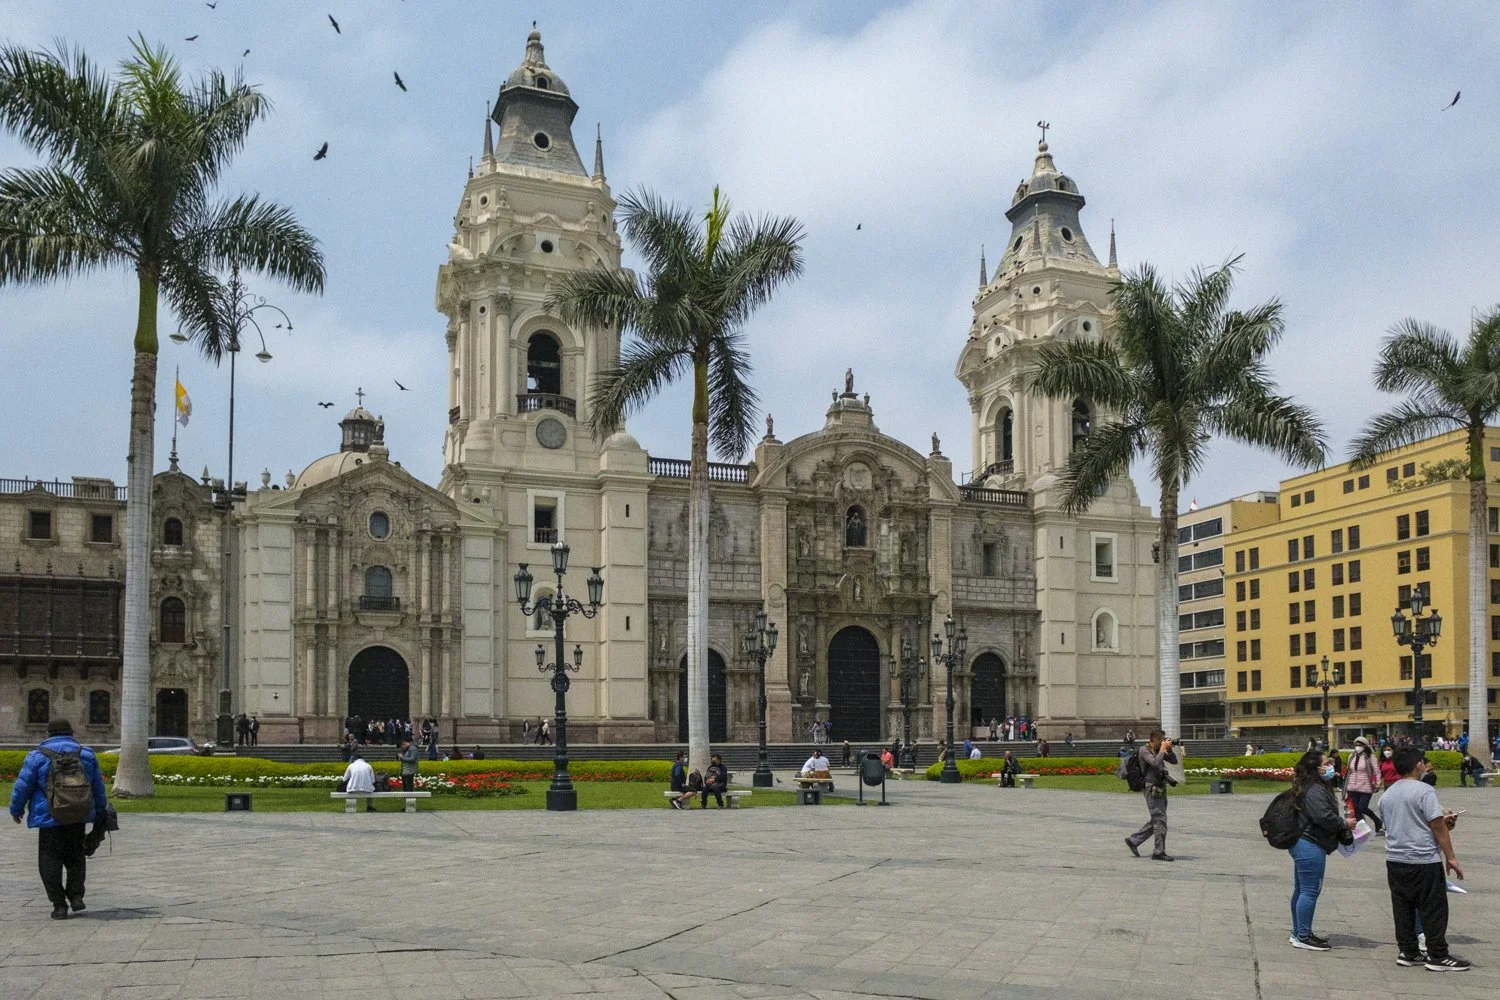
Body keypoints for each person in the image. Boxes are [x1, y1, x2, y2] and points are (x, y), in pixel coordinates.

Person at [8, 720, 109, 920]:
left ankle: (59, 905)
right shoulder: (86, 755)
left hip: (49, 817)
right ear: (71, 733)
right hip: (78, 814)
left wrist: (16, 809)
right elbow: (97, 786)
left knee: (49, 861)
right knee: (76, 857)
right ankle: (76, 896)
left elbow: (23, 786)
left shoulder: (37, 756)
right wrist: (100, 811)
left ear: (49, 734)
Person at [1383, 747, 1469, 971]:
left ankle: (1408, 951)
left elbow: (1399, 823)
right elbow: (1436, 825)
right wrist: (1450, 857)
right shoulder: (1424, 791)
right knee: (1433, 908)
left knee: (1403, 907)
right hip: (1423, 859)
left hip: (1395, 859)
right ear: (1418, 765)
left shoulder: (1387, 794)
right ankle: (1438, 955)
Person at [1286, 750, 1355, 951]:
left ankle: (1300, 932)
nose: (1330, 767)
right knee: (1309, 891)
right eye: (1326, 764)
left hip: (1304, 842)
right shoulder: (1314, 790)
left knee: (1302, 889)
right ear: (1315, 768)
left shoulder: (1310, 786)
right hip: (1310, 844)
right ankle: (1302, 936)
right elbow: (1322, 816)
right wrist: (1344, 823)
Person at [1124, 730, 1178, 862]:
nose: (1164, 742)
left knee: (1158, 819)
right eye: (1162, 740)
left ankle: (1134, 840)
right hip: (1151, 788)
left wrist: (1169, 750)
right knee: (1160, 819)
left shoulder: (1159, 750)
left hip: (1161, 787)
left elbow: (1174, 761)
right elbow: (1154, 763)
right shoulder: (1144, 750)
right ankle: (1159, 852)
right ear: (1155, 740)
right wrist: (1162, 750)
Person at [1345, 737, 1384, 834]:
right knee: (1356, 809)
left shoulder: (1370, 756)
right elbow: (1349, 771)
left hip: (1365, 787)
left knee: (1362, 807)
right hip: (1352, 787)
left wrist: (1378, 782)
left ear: (1365, 746)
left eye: (1360, 745)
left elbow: (1376, 771)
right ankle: (1363, 830)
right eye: (1356, 745)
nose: (1358, 747)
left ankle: (1377, 820)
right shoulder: (1352, 756)